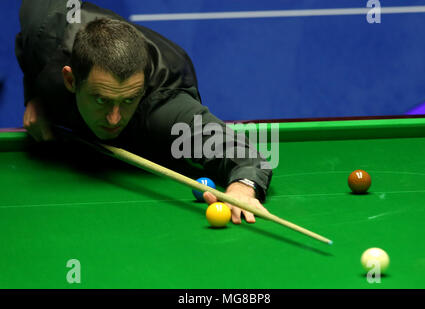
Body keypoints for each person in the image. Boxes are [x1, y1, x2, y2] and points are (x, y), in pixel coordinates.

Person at [15, 0, 272, 224]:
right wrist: (36, 95)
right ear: (70, 81)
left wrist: (243, 186)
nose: (114, 118)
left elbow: (245, 155)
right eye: (102, 100)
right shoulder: (46, 31)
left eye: (127, 100)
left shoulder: (164, 109)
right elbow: (27, 46)